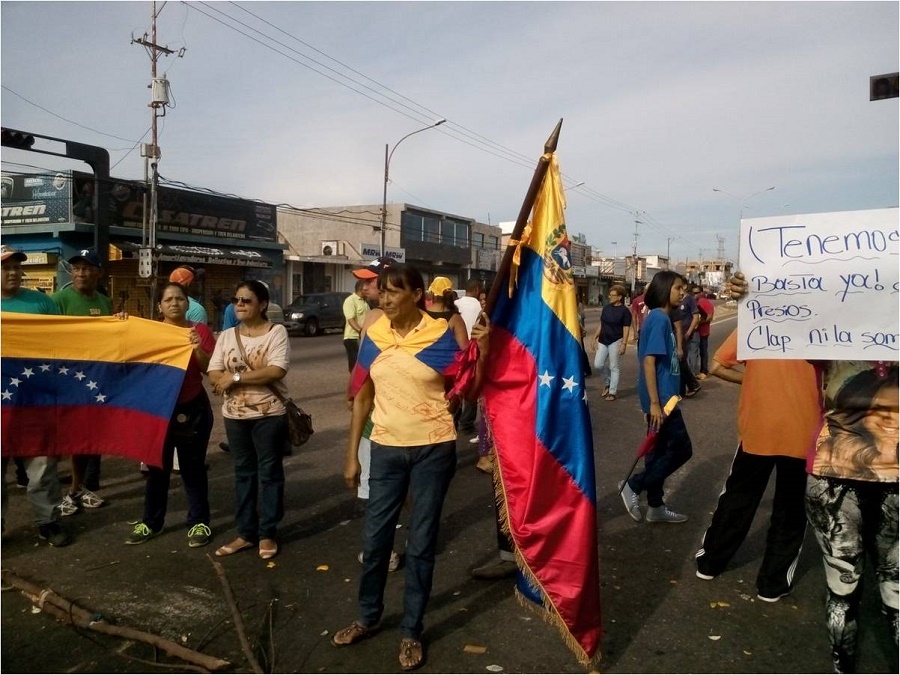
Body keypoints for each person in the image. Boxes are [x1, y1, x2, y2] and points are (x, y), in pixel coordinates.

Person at [334, 264, 491, 671]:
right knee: (376, 540)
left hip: (433, 450)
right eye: (380, 292)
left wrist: (483, 351)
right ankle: (368, 617)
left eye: (392, 293)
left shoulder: (440, 334)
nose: (382, 299)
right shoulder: (376, 333)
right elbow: (363, 398)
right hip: (385, 448)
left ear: (417, 296)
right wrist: (352, 454)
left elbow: (468, 390)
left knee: (421, 545)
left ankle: (411, 630)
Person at [695, 328, 821, 601]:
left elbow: (717, 366)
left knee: (739, 497)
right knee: (791, 508)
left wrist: (755, 380)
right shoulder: (828, 328)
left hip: (758, 427)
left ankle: (711, 562)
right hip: (805, 430)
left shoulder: (758, 320)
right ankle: (772, 583)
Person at [125, 282, 216, 547]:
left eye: (179, 298)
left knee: (193, 468)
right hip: (158, 409)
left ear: (188, 304)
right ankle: (151, 522)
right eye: (168, 300)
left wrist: (197, 347)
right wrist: (121, 322)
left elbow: (208, 368)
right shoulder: (149, 331)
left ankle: (199, 522)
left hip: (192, 408)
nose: (174, 303)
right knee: (157, 469)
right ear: (160, 306)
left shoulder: (198, 330)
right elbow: (125, 349)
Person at [208, 281, 290, 560]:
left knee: (269, 473)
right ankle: (245, 533)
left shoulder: (276, 332)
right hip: (235, 416)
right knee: (243, 474)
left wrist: (236, 378)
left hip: (269, 414)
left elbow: (276, 370)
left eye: (247, 300)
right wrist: (223, 378)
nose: (240, 305)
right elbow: (214, 371)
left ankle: (267, 532)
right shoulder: (228, 335)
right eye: (236, 300)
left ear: (263, 304)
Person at [0, 246, 72, 547]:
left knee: (42, 468)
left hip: (35, 401)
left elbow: (67, 340)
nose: (14, 272)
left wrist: (116, 324)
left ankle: (49, 522)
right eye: (6, 268)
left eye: (17, 267)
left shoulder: (42, 303)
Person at [619, 270, 692, 524]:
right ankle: (634, 485)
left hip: (663, 399)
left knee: (658, 452)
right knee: (682, 450)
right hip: (662, 401)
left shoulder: (660, 318)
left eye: (683, 288)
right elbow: (649, 362)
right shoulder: (659, 319)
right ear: (664, 289)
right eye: (678, 288)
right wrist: (654, 403)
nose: (683, 292)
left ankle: (656, 506)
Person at [53, 249, 112, 516]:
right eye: (76, 268)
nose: (81, 273)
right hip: (67, 381)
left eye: (87, 268)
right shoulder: (58, 300)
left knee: (89, 438)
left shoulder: (104, 302)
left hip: (96, 381)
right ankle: (68, 492)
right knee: (69, 439)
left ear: (98, 273)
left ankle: (79, 490)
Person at [589, 284, 632, 401]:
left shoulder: (625, 311)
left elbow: (626, 328)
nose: (610, 297)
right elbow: (602, 324)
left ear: (619, 297)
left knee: (614, 366)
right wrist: (594, 337)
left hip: (616, 340)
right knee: (598, 364)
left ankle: (612, 392)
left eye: (613, 295)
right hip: (603, 340)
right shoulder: (606, 308)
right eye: (610, 295)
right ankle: (607, 383)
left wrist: (624, 344)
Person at [454, 279, 483, 433]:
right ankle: (466, 423)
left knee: (456, 385)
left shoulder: (456, 304)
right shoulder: (479, 306)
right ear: (477, 289)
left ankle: (455, 418)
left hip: (456, 351)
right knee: (471, 385)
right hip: (473, 350)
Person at [673, 277, 701, 397]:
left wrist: (689, 332)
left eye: (680, 286)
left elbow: (695, 317)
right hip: (675, 334)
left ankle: (693, 384)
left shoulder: (689, 299)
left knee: (681, 361)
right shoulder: (675, 301)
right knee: (680, 362)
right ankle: (683, 389)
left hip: (684, 334)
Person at [424, 276, 469, 349]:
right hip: (448, 359)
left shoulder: (422, 314)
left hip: (422, 359)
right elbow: (465, 348)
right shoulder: (455, 319)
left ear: (432, 294)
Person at [342, 279, 370, 372]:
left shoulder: (365, 302)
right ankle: (354, 385)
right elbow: (351, 320)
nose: (369, 290)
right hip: (352, 338)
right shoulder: (350, 300)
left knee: (364, 365)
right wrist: (360, 331)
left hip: (363, 337)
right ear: (360, 289)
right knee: (355, 365)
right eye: (367, 288)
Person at [694, 286, 715, 379]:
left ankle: (704, 371)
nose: (695, 294)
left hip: (703, 332)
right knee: (693, 353)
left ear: (701, 292)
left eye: (697, 292)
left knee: (703, 352)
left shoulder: (706, 303)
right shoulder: (693, 302)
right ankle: (694, 371)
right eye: (694, 292)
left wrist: (698, 322)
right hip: (694, 332)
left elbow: (709, 317)